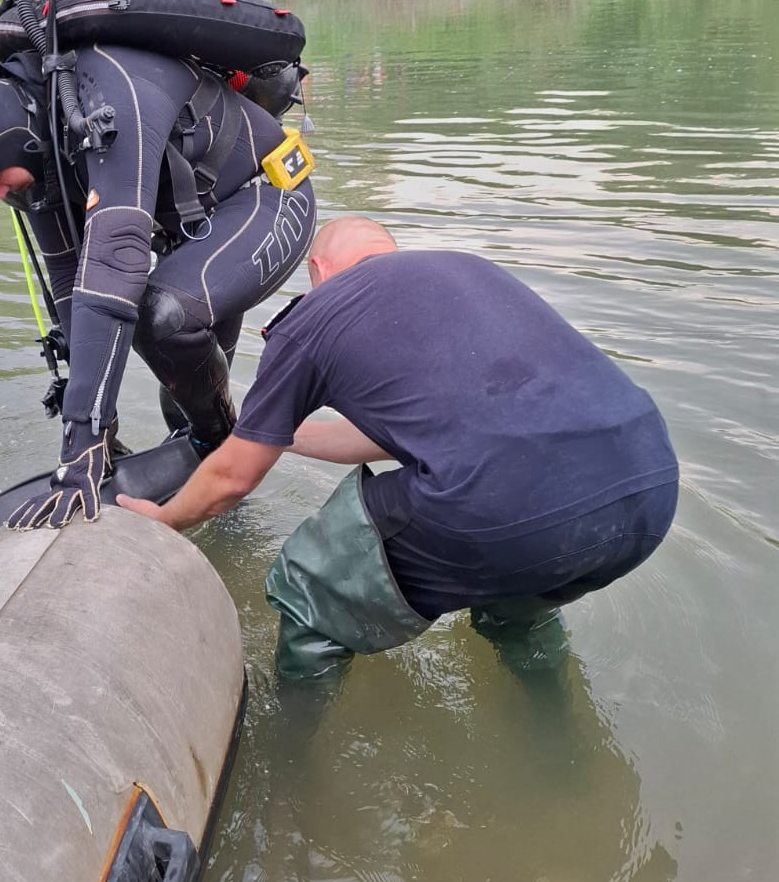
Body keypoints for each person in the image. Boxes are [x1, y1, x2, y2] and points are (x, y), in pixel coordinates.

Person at [121, 216, 678, 677]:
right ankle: (555, 740)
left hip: (503, 503)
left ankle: (293, 755)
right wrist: (269, 438)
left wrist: (164, 520)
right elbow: (406, 437)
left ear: (318, 270)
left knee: (310, 586)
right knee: (515, 615)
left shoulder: (318, 313)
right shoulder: (466, 271)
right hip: (647, 491)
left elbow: (232, 480)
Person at [0, 5, 317, 532]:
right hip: (193, 230)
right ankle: (217, 484)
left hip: (266, 195)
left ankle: (223, 453)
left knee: (162, 319)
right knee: (183, 391)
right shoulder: (44, 149)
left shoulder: (111, 96)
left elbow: (115, 262)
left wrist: (81, 441)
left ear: (15, 138)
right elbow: (71, 284)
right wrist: (97, 439)